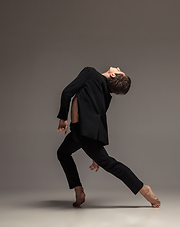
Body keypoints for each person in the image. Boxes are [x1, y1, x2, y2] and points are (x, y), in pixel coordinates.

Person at [56, 66, 160, 208]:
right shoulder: (106, 94)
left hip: (81, 133)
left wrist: (63, 118)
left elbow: (67, 92)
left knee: (109, 163)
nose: (117, 67)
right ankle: (78, 189)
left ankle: (143, 189)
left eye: (119, 71)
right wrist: (96, 149)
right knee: (63, 153)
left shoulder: (90, 73)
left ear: (112, 76)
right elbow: (99, 120)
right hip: (83, 134)